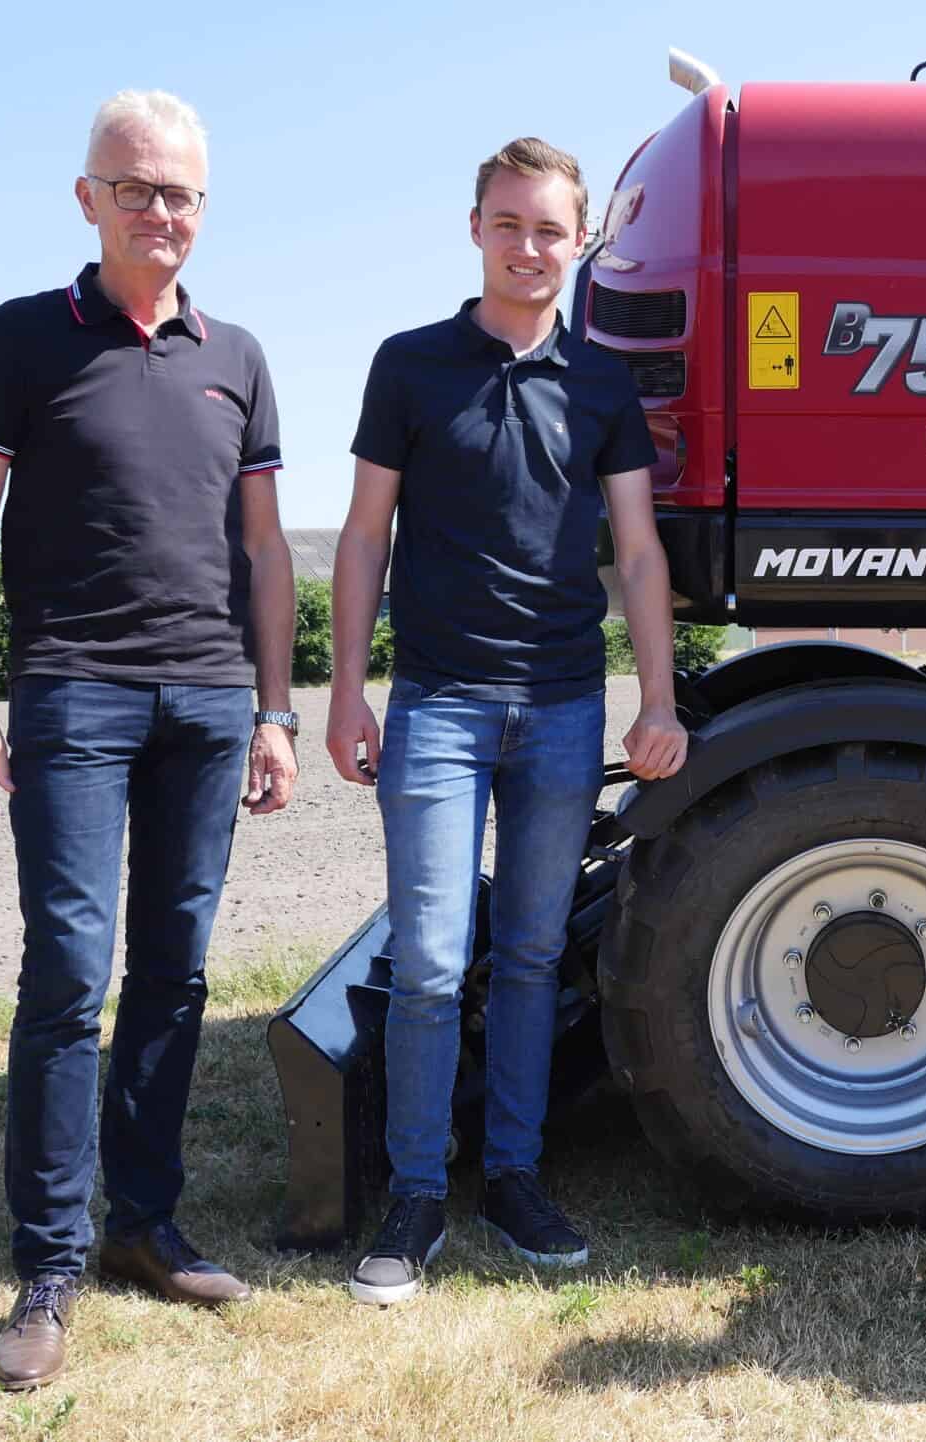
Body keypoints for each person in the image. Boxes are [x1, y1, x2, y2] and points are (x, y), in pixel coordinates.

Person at [0, 89, 297, 1390]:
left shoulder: (236, 353)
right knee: (70, 973)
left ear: (205, 209)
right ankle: (49, 1260)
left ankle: (145, 1223)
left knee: (177, 973)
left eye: (182, 192)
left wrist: (274, 705)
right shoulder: (25, 339)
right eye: (136, 188)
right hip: (75, 697)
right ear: (88, 198)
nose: (161, 212)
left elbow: (263, 550)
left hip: (207, 705)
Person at [326, 137, 688, 1304]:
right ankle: (416, 1194)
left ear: (578, 241)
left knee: (531, 957)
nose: (529, 247)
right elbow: (364, 539)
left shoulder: (599, 383)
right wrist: (344, 689)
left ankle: (517, 1180)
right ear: (473, 227)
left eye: (549, 229)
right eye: (508, 223)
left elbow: (637, 551)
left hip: (564, 706)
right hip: (436, 704)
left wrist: (659, 698)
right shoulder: (410, 366)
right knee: (432, 960)